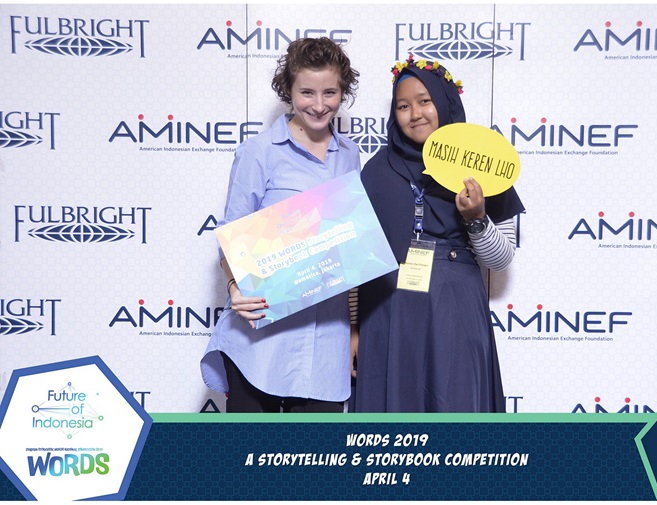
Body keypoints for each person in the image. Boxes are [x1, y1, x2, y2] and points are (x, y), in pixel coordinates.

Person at [353, 55, 525, 413]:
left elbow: (502, 257)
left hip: (454, 311)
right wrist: (353, 328)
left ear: (445, 102)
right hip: (388, 314)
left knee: (455, 407)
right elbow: (357, 258)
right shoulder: (376, 171)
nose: (415, 113)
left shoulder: (480, 162)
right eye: (403, 105)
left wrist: (477, 219)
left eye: (425, 101)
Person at [200, 37, 360, 413]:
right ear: (288, 90)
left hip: (326, 350)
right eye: (307, 92)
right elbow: (231, 234)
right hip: (261, 344)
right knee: (251, 463)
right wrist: (234, 287)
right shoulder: (260, 152)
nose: (319, 105)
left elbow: (350, 247)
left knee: (314, 467)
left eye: (330, 93)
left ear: (343, 92)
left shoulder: (351, 154)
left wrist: (354, 327)